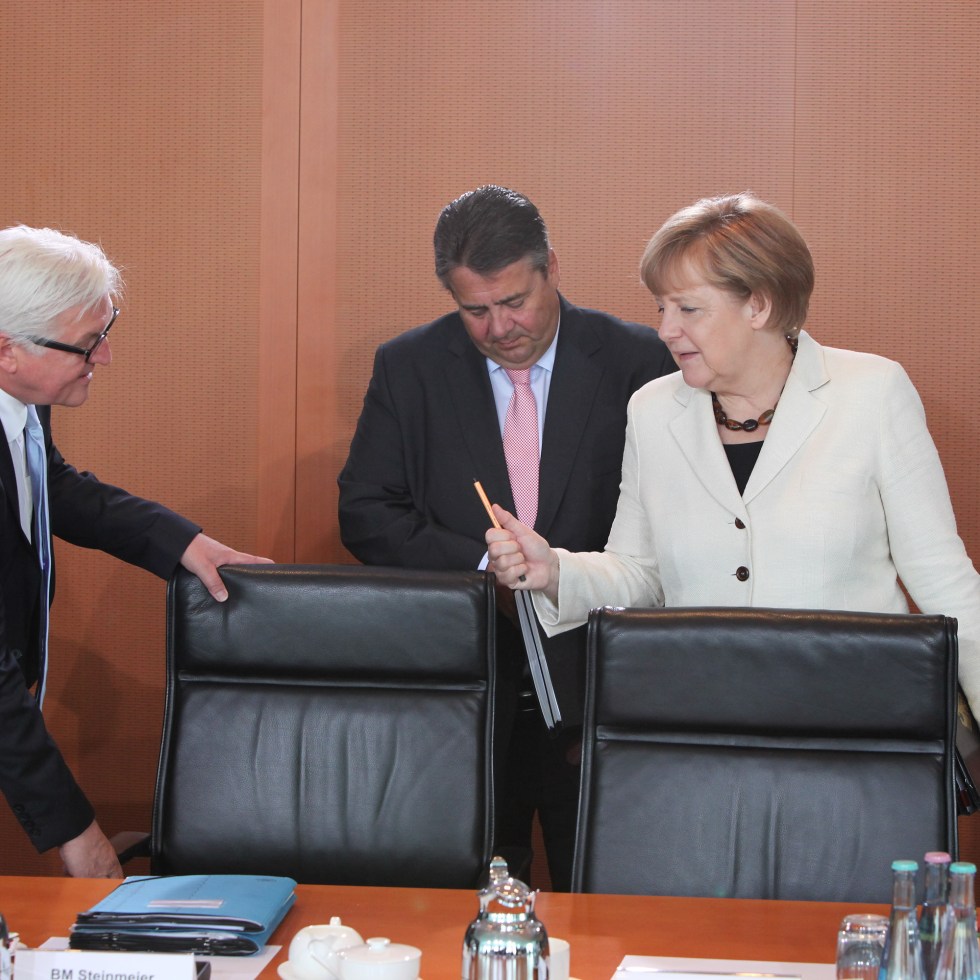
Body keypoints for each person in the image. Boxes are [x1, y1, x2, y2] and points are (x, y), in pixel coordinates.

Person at [486, 192, 980, 716]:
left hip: (853, 723)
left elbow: (941, 578)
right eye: (662, 307)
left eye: (688, 309)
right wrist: (554, 570)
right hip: (702, 722)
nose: (666, 330)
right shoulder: (653, 410)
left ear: (758, 305)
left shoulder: (871, 392)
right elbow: (639, 573)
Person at [338, 185, 676, 889]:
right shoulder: (410, 366)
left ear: (551, 268)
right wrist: (481, 566)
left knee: (608, 891)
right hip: (465, 687)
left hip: (604, 680)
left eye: (515, 301)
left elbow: (674, 518)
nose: (498, 328)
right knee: (475, 895)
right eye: (475, 310)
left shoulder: (640, 361)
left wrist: (563, 573)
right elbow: (366, 511)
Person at [0, 224, 271, 878]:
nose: (107, 355)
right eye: (88, 343)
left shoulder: (23, 399)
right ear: (7, 350)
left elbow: (50, 484)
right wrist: (77, 833)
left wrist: (182, 542)